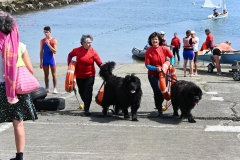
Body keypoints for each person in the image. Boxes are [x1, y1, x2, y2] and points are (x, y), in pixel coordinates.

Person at [0, 13, 38, 160]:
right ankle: (19, 156)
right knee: (18, 123)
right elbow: (30, 70)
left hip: (0, 87)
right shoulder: (20, 46)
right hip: (15, 89)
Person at [67, 34, 103, 116]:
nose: (90, 44)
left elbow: (99, 63)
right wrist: (69, 65)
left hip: (90, 75)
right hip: (79, 75)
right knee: (81, 91)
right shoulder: (77, 50)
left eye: (91, 42)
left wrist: (105, 68)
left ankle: (87, 109)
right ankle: (86, 103)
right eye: (88, 42)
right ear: (83, 43)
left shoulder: (93, 51)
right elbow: (70, 55)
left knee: (88, 91)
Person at [145, 32, 174, 117]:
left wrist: (171, 64)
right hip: (152, 74)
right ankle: (159, 110)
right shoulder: (148, 51)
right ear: (150, 41)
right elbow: (147, 65)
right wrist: (155, 68)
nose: (155, 41)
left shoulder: (164, 48)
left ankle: (159, 105)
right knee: (157, 91)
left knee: (163, 91)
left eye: (156, 39)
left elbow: (172, 56)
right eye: (153, 39)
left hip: (164, 73)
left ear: (159, 40)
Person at [40, 26, 58, 94]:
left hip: (51, 59)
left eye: (47, 32)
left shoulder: (54, 40)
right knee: (46, 74)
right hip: (45, 59)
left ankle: (55, 88)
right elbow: (41, 51)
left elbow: (55, 51)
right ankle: (47, 88)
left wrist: (49, 45)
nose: (45, 34)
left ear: (50, 32)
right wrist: (40, 61)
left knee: (54, 74)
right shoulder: (42, 41)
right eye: (44, 32)